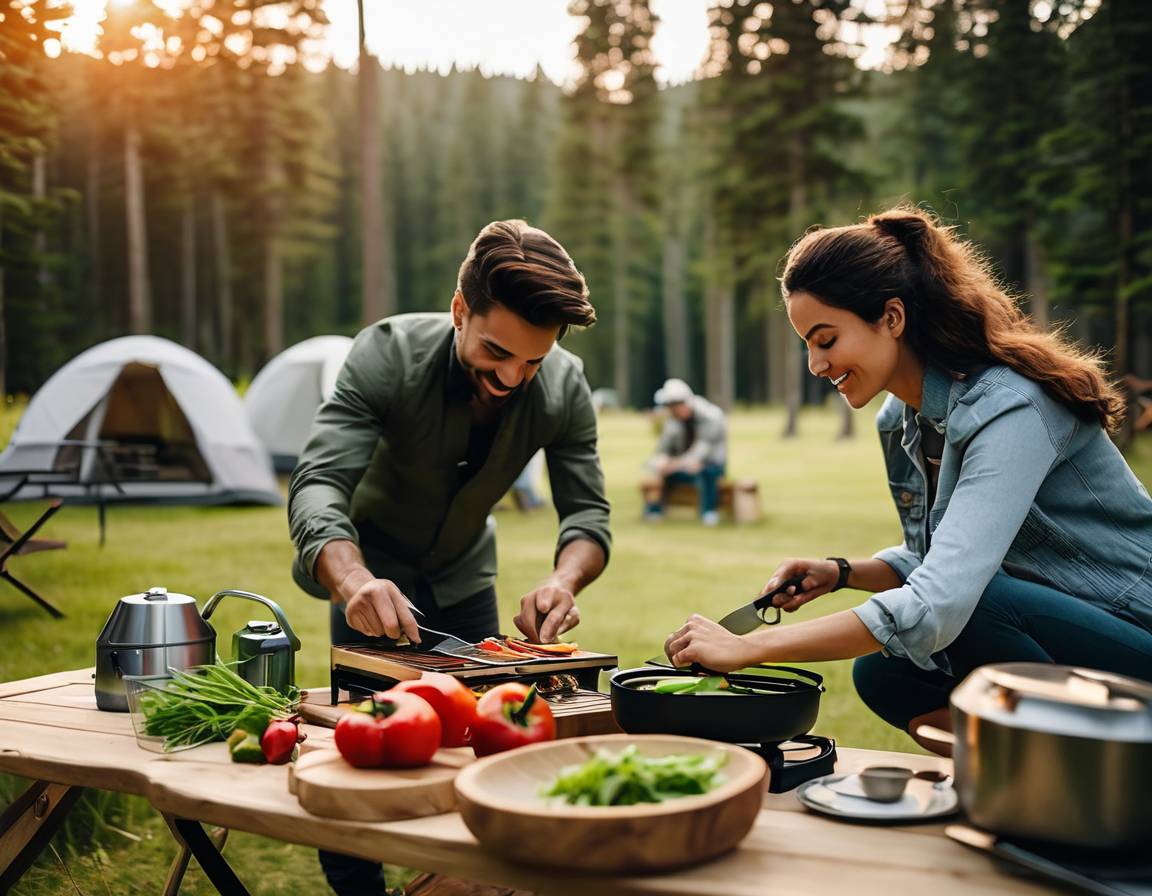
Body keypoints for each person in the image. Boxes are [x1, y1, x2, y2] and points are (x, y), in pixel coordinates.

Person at [664, 206, 1152, 755]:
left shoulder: (1012, 408)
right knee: (885, 673)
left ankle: (1087, 774)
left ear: (891, 318)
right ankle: (1016, 773)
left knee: (974, 608)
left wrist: (748, 649)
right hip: (1051, 631)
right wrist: (841, 573)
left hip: (1134, 633)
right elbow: (934, 556)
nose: (816, 365)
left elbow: (942, 600)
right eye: (807, 345)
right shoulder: (900, 420)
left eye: (826, 339)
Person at [288, 219, 611, 895]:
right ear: (460, 309)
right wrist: (353, 579)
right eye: (497, 351)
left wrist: (563, 579)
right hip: (370, 580)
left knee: (483, 752)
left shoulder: (566, 388)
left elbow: (587, 516)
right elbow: (319, 484)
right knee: (360, 759)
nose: (513, 377)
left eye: (534, 362)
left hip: (466, 578)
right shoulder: (385, 354)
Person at [641, 378, 728, 526]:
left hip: (711, 466)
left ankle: (709, 513)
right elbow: (662, 450)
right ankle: (654, 511)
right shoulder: (674, 421)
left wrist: (674, 464)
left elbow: (701, 454)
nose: (673, 410)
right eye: (671, 406)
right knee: (661, 473)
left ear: (686, 402)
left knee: (705, 472)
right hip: (683, 466)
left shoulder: (711, 416)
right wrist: (662, 463)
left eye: (675, 405)